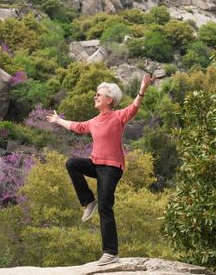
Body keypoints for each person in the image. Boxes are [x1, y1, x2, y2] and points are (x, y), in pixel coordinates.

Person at [46, 74, 156, 265]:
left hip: (111, 168)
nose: (95, 97)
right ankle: (88, 202)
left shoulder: (118, 116)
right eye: (95, 94)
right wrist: (57, 120)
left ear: (109, 99)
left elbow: (134, 107)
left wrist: (142, 88)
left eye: (99, 95)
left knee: (105, 206)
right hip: (96, 164)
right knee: (72, 163)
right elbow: (77, 127)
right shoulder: (94, 121)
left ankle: (110, 253)